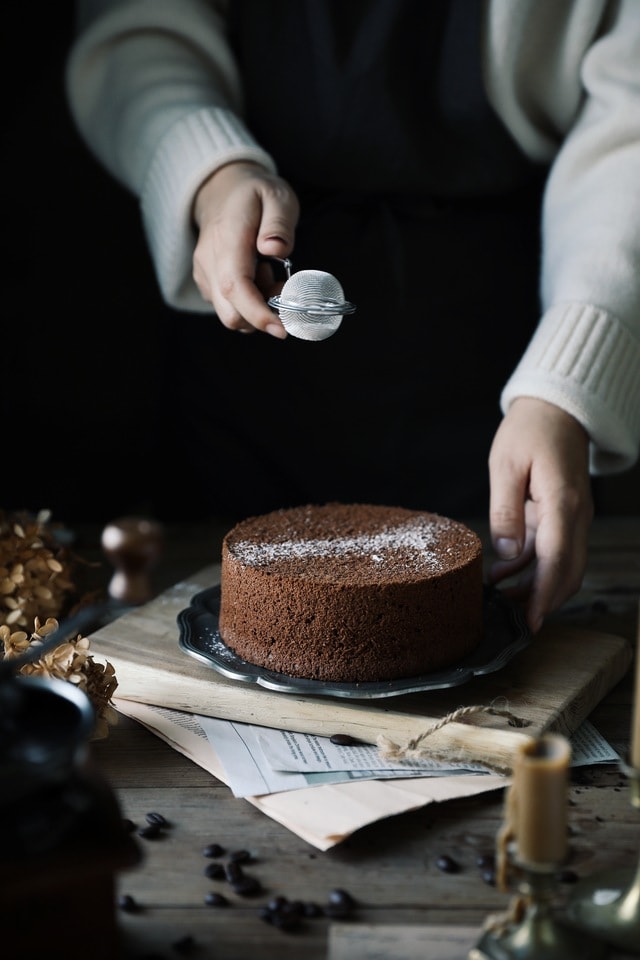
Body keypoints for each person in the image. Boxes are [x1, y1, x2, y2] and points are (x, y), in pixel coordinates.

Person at [65, 0, 640, 635]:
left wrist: (566, 381)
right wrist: (212, 173)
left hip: (501, 351)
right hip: (247, 349)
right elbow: (139, 32)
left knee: (472, 608)